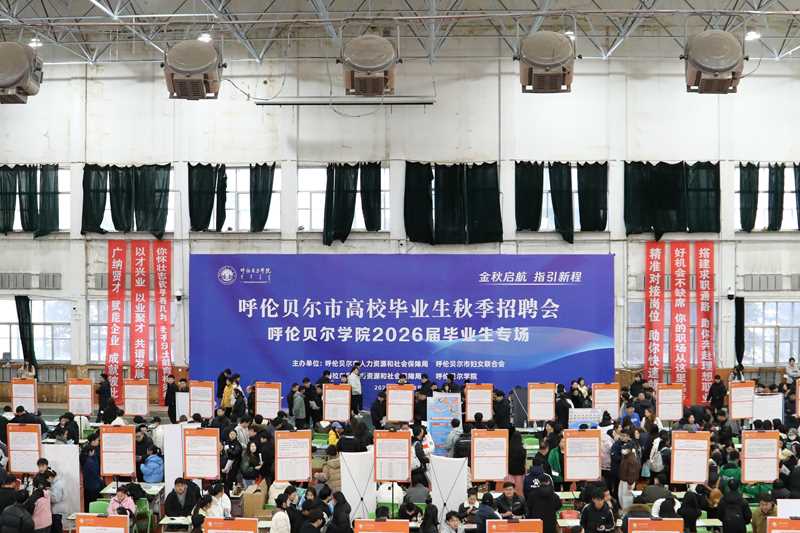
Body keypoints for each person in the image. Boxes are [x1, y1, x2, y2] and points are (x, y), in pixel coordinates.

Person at [80, 434, 102, 512]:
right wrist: (100, 480)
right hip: (93, 484)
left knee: (88, 502)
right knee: (92, 501)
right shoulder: (90, 461)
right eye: (97, 440)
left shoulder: (87, 457)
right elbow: (94, 472)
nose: (98, 442)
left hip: (88, 483)